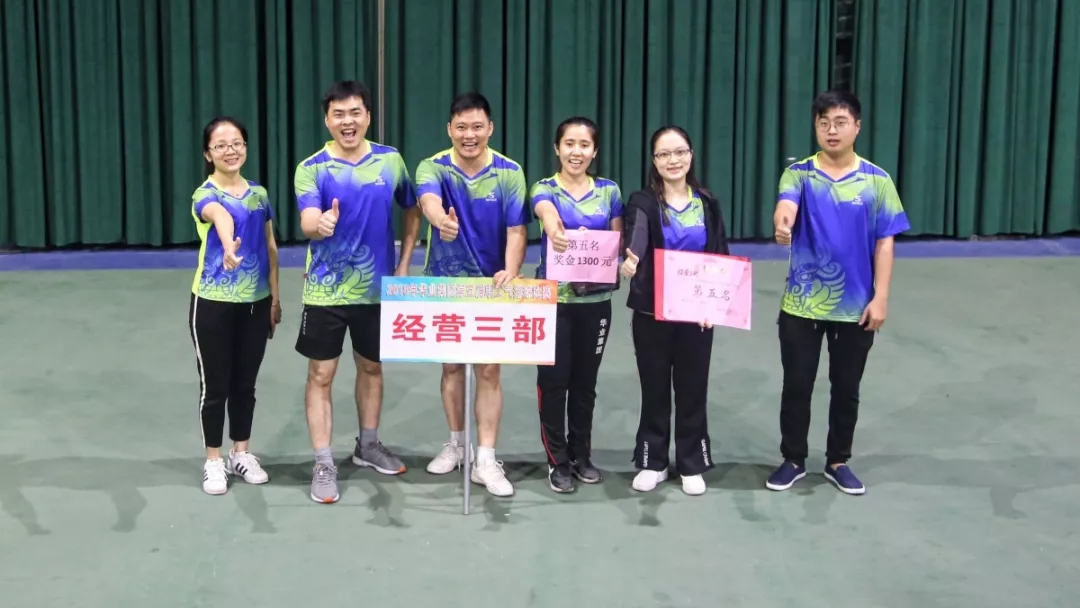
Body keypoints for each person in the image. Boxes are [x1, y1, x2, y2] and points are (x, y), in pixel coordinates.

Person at [766, 89, 910, 496]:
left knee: (846, 388)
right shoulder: (799, 175)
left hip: (856, 307)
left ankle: (837, 461)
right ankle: (793, 459)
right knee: (797, 384)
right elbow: (786, 206)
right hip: (801, 304)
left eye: (840, 122)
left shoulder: (877, 181)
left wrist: (881, 297)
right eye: (824, 122)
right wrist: (783, 224)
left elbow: (885, 243)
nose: (832, 130)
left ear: (857, 127)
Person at [293, 80, 421, 504]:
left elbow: (412, 207)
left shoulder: (390, 160)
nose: (347, 122)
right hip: (325, 292)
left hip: (377, 291)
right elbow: (308, 221)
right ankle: (323, 462)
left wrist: (405, 262)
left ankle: (368, 445)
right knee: (321, 375)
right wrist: (319, 225)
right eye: (339, 114)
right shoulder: (312, 167)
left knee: (371, 367)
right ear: (327, 120)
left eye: (355, 113)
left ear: (367, 116)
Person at [415, 92, 528, 497]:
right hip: (445, 283)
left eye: (477, 126)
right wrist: (440, 222)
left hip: (491, 286)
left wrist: (511, 271)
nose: (469, 134)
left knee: (489, 370)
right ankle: (457, 444)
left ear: (490, 129)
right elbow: (428, 200)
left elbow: (517, 230)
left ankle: (486, 458)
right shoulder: (433, 166)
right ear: (450, 129)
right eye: (461, 127)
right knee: (450, 368)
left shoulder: (509, 172)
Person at [620, 125, 730, 497]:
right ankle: (653, 461)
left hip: (697, 314)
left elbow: (720, 256)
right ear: (654, 161)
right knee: (654, 388)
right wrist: (632, 258)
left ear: (690, 155)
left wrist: (715, 305)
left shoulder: (707, 202)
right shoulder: (643, 201)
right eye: (664, 154)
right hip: (652, 314)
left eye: (679, 152)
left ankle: (691, 462)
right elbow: (637, 235)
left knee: (692, 388)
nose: (673, 160)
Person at [188, 116, 281, 496]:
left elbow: (270, 247)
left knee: (245, 384)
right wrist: (228, 246)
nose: (231, 151)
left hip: (256, 305)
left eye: (237, 143)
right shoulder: (204, 194)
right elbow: (220, 216)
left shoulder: (259, 194)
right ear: (208, 154)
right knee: (215, 386)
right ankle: (213, 460)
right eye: (221, 145)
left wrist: (275, 297)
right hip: (212, 304)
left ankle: (241, 452)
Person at [530, 117, 623, 493]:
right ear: (557, 148)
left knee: (585, 384)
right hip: (553, 302)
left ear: (594, 151)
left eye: (584, 145)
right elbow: (545, 212)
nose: (576, 151)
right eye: (569, 143)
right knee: (554, 383)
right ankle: (557, 460)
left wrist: (623, 258)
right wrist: (555, 228)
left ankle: (581, 454)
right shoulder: (545, 188)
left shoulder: (609, 191)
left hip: (596, 302)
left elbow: (617, 238)